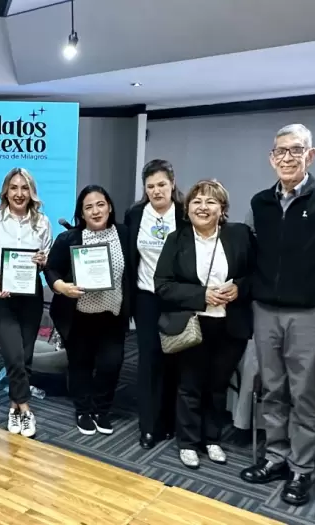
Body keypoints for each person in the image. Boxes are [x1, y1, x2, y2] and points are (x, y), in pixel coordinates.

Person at [240, 124, 315, 506]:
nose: (287, 158)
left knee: (304, 394)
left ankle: (301, 469)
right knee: (272, 390)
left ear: (311, 154)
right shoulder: (260, 202)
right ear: (271, 158)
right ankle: (275, 456)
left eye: (296, 150)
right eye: (280, 151)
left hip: (312, 313)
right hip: (267, 311)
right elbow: (251, 252)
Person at [153, 180, 255, 469]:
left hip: (230, 325)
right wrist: (202, 295)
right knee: (190, 385)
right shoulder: (177, 239)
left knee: (218, 385)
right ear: (188, 208)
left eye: (211, 201)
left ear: (222, 208)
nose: (203, 207)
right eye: (197, 201)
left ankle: (211, 439)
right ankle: (187, 442)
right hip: (194, 324)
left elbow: (256, 275)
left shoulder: (239, 235)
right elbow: (162, 285)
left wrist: (240, 288)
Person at [44, 184, 130, 435]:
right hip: (78, 315)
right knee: (80, 365)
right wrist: (61, 286)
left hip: (112, 314)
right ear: (81, 213)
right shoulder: (69, 238)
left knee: (110, 365)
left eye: (100, 204)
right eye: (88, 207)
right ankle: (83, 410)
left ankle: (101, 410)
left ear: (110, 207)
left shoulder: (124, 234)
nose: (95, 211)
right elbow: (51, 268)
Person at [0, 167, 52, 438]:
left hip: (30, 295)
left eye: (25, 188)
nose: (19, 193)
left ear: (31, 192)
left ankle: (13, 408)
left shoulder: (42, 221)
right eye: (14, 187)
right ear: (5, 191)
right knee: (14, 355)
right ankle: (26, 408)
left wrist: (44, 261)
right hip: (0, 296)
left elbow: (47, 258)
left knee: (26, 356)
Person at [124, 159, 187, 449]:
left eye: (161, 184)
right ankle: (148, 426)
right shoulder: (136, 214)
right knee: (148, 361)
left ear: (172, 184)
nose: (156, 191)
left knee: (174, 360)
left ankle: (169, 421)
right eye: (150, 186)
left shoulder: (186, 213)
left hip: (176, 299)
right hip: (146, 297)